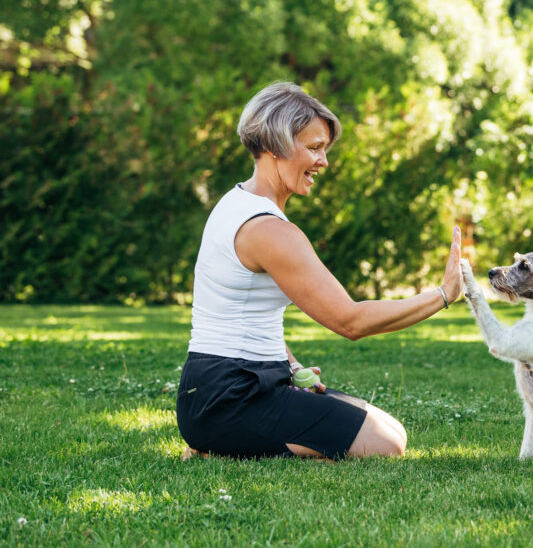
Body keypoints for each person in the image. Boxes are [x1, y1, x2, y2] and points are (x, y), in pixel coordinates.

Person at [176, 81, 463, 461]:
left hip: (225, 387)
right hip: (228, 398)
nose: (323, 162)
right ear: (272, 147)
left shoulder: (237, 203)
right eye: (314, 149)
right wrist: (442, 295)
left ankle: (222, 441)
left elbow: (248, 313)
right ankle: (222, 446)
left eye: (324, 149)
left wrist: (293, 368)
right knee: (386, 445)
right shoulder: (268, 230)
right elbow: (350, 321)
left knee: (387, 427)